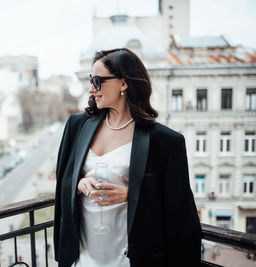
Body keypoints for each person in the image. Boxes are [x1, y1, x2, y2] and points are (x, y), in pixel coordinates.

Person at [53, 48, 202, 267]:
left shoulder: (166, 142)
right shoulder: (77, 126)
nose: (91, 88)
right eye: (90, 80)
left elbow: (180, 214)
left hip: (131, 260)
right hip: (81, 259)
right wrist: (79, 184)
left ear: (123, 83)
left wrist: (131, 196)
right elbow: (62, 182)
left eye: (97, 81)